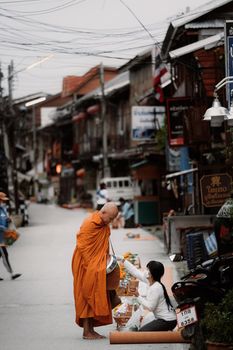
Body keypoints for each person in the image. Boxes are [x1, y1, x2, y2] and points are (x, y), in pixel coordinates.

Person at [72, 201, 119, 340]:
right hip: (84, 265)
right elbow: (84, 247)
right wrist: (95, 267)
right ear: (103, 213)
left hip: (95, 264)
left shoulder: (103, 225)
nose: (110, 222)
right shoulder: (90, 223)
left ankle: (91, 330)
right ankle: (87, 332)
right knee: (86, 295)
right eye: (110, 218)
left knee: (95, 293)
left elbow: (102, 247)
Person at [117, 256, 177, 331]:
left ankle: (167, 332)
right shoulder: (151, 282)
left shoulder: (156, 288)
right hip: (162, 319)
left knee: (142, 332)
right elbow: (135, 272)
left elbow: (150, 307)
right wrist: (123, 260)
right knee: (142, 329)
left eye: (147, 269)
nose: (145, 271)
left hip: (167, 321)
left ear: (151, 274)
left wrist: (138, 296)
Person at [0, 192, 22, 281]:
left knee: (1, 254)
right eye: (1, 200)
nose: (3, 201)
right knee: (5, 254)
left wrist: (9, 220)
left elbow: (4, 218)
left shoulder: (2, 209)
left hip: (2, 235)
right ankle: (12, 274)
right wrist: (2, 227)